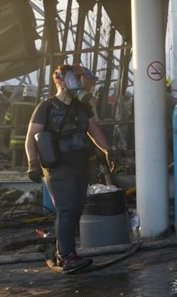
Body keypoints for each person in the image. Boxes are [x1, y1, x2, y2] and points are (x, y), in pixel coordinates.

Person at [25, 64, 115, 274]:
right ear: (61, 81)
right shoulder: (46, 107)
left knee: (75, 209)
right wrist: (32, 162)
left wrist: (108, 151)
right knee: (66, 209)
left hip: (80, 163)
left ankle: (64, 252)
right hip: (58, 166)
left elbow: (94, 130)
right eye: (79, 79)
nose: (84, 84)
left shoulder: (82, 107)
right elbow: (30, 138)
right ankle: (67, 257)